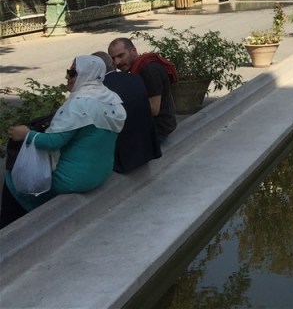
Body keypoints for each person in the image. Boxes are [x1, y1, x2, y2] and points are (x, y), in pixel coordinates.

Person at [3, 56, 125, 221]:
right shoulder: (112, 99)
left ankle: (11, 224)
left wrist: (26, 134)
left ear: (86, 74)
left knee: (13, 179)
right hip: (101, 173)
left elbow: (53, 142)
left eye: (72, 72)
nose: (67, 76)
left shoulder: (78, 104)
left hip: (74, 180)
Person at [92, 52, 161, 173]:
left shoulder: (97, 90)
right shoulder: (134, 78)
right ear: (112, 64)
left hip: (122, 158)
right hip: (147, 149)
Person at [108, 37, 177, 141]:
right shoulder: (138, 69)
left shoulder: (149, 70)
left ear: (133, 51)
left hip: (158, 128)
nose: (117, 62)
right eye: (113, 59)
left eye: (121, 56)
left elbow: (154, 109)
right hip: (153, 125)